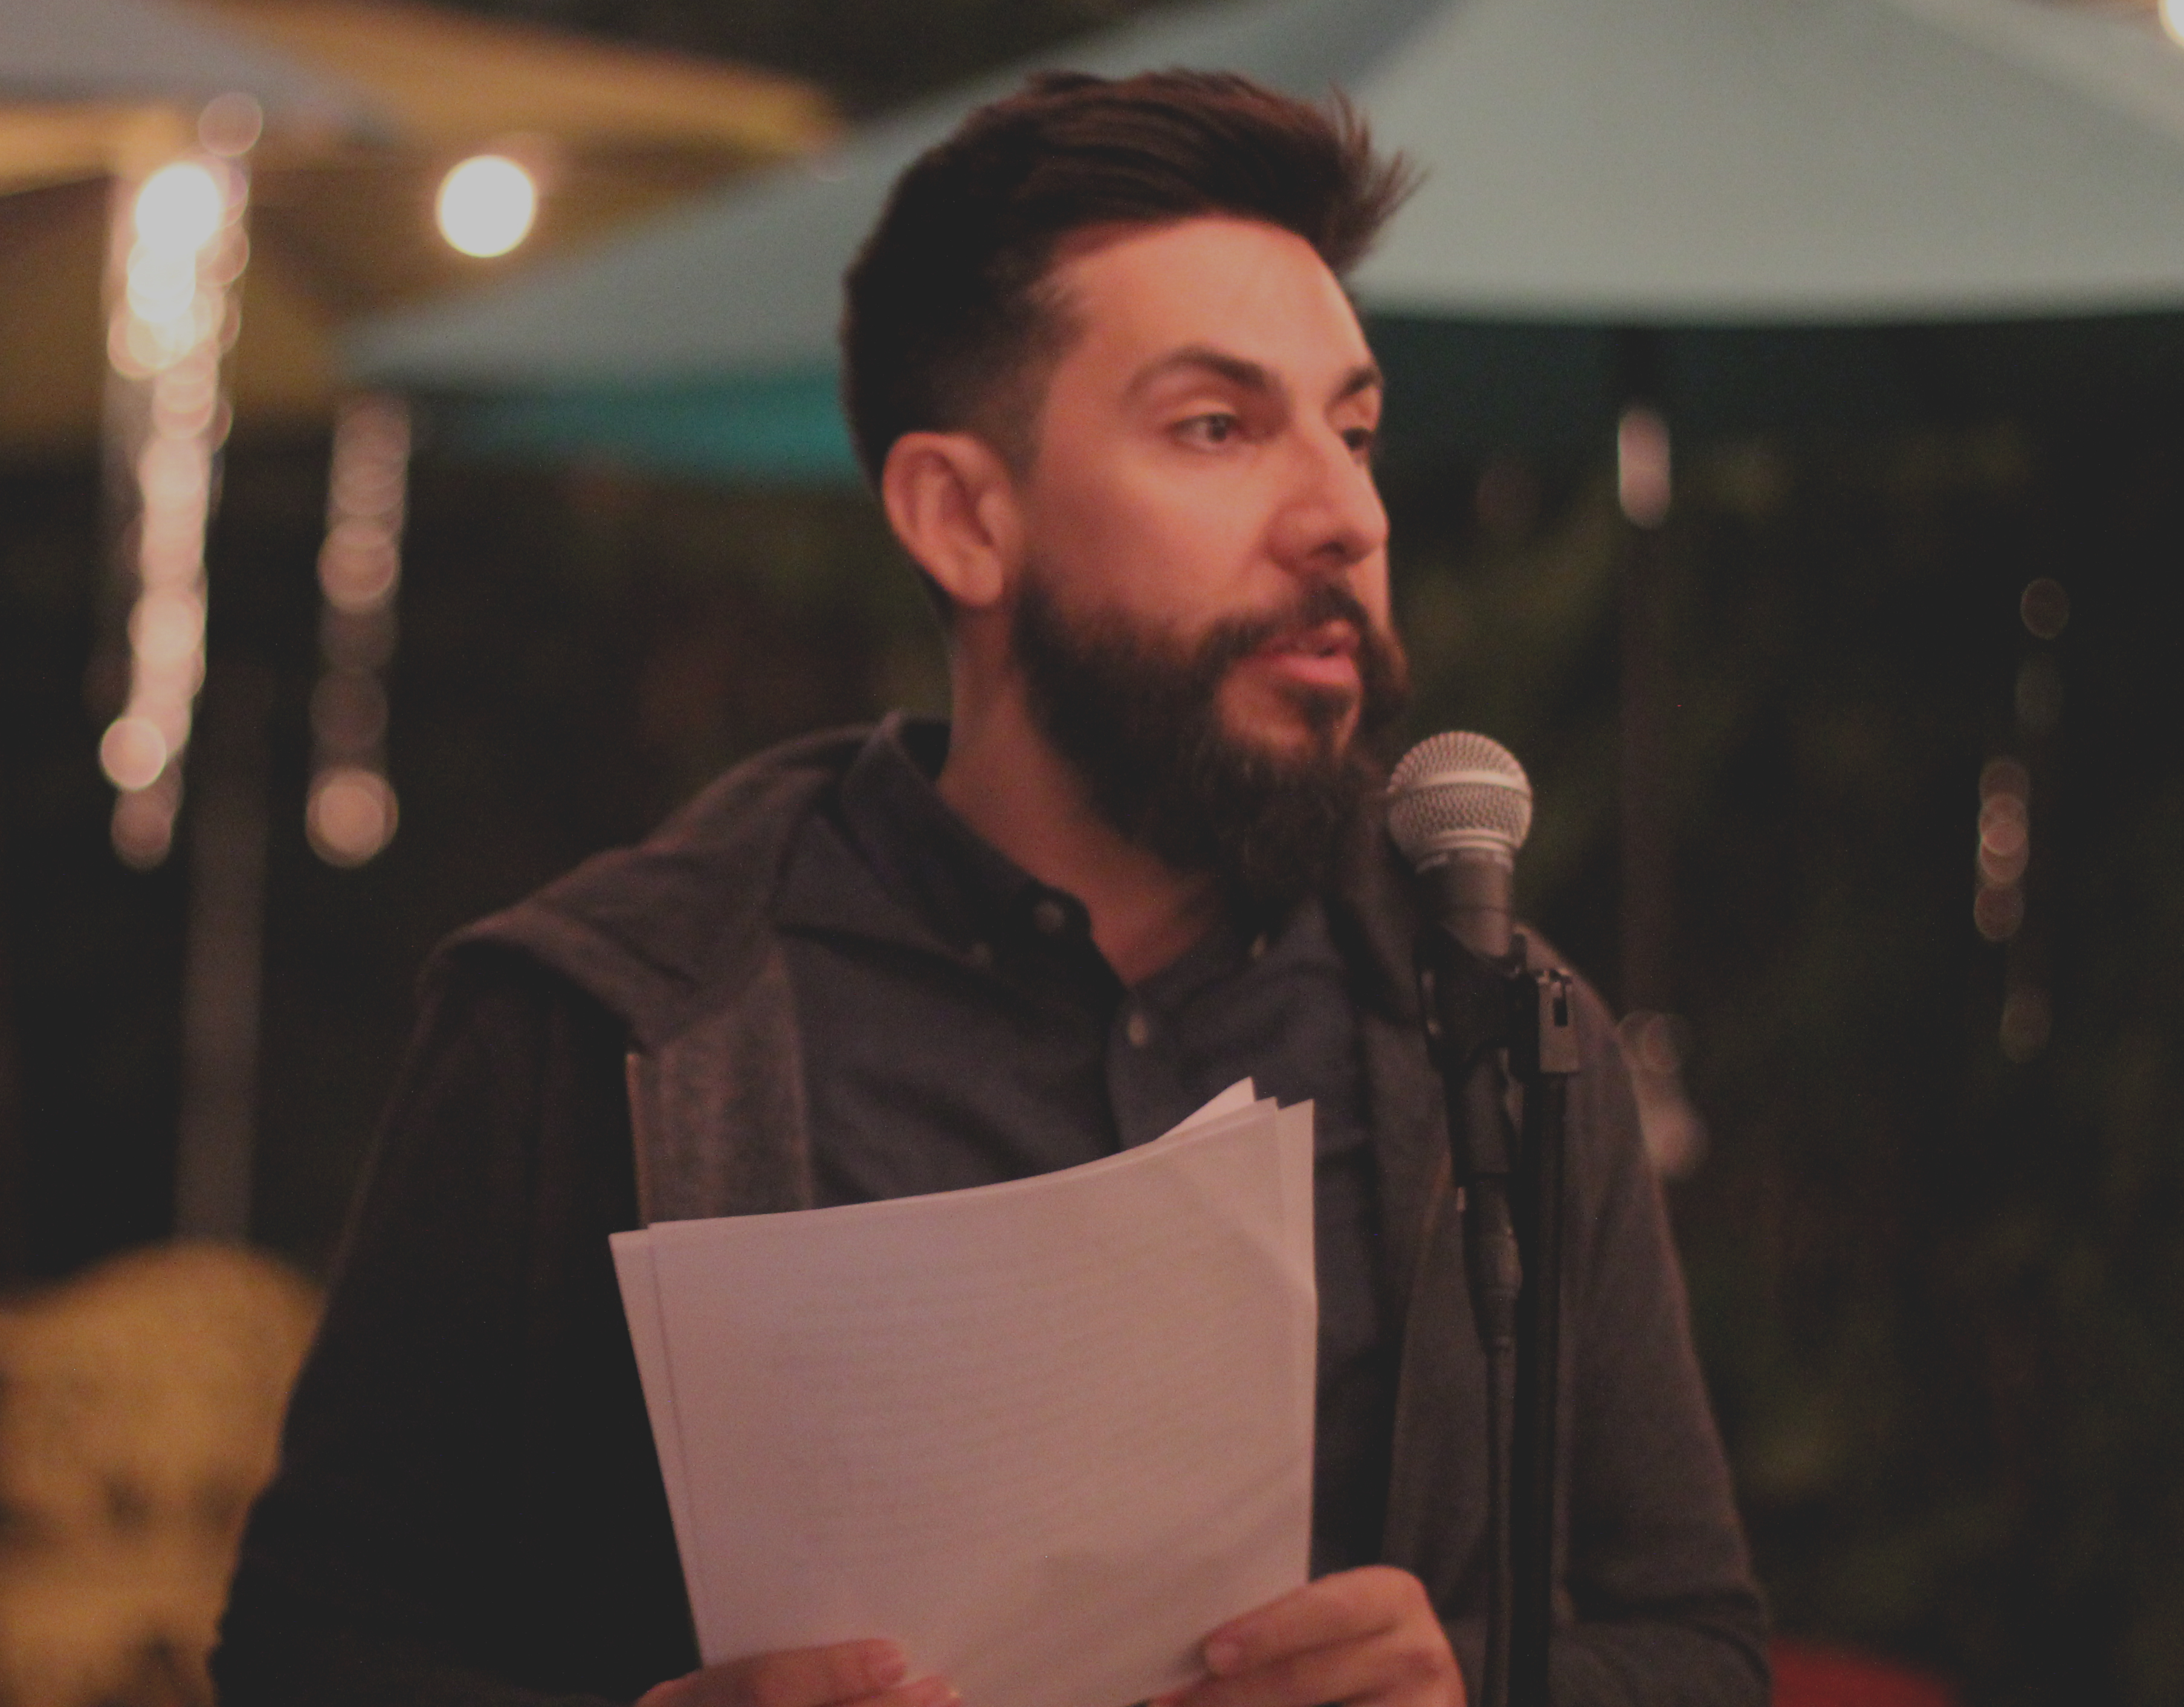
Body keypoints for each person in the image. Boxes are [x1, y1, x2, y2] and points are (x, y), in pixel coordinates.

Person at [213, 70, 1767, 1707]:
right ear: (962, 517)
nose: (1346, 516)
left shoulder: (1500, 1038)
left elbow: (1703, 1647)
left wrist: (1474, 1690)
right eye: (1219, 427)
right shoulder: (605, 1018)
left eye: (1357, 430)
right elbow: (313, 1653)